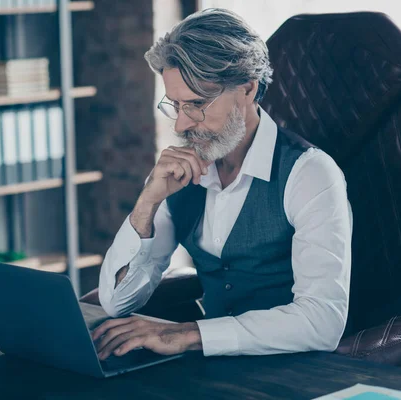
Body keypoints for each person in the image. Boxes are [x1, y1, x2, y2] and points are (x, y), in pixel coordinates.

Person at [91, 8, 352, 361]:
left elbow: (323, 322)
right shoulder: (179, 172)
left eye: (197, 104)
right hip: (211, 369)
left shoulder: (310, 174)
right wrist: (146, 203)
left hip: (292, 370)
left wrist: (186, 334)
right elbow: (117, 300)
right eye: (176, 105)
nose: (182, 125)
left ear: (247, 88)